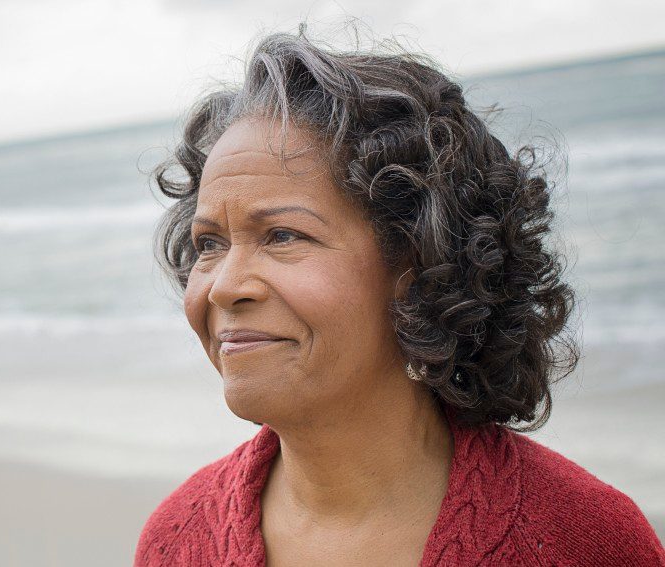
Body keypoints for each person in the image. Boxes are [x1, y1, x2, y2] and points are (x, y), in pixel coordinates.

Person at [133, 30, 665, 566]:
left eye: (282, 236)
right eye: (209, 244)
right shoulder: (176, 541)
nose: (224, 285)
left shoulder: (581, 540)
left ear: (418, 260)